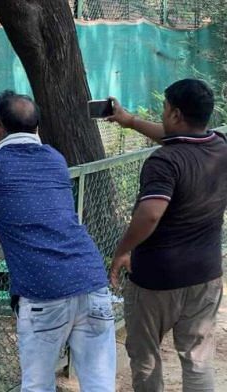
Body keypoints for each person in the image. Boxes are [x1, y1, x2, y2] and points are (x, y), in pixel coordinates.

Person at [0, 90, 116, 392]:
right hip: (91, 280)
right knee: (100, 385)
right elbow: (20, 166)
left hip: (43, 291)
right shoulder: (55, 158)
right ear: (36, 125)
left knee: (36, 385)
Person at [108, 78, 227, 391]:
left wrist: (122, 250)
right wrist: (130, 121)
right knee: (198, 361)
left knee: (145, 357)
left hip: (156, 279)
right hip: (206, 274)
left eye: (164, 109)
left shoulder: (164, 161)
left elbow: (150, 214)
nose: (162, 115)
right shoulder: (220, 146)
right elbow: (179, 139)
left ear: (175, 114)